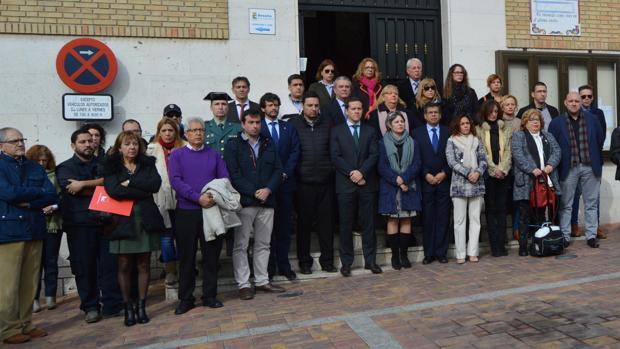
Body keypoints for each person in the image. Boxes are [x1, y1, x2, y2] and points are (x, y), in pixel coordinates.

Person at [56, 129, 122, 323]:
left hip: (106, 222)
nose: (88, 144)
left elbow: (112, 184)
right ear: (73, 145)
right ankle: (91, 307)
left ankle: (112, 304)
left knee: (110, 266)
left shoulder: (103, 165)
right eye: (82, 141)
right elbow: (72, 190)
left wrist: (84, 184)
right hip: (79, 225)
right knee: (85, 267)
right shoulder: (65, 167)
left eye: (90, 141)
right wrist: (100, 188)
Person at [102, 131, 164, 326]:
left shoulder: (147, 163)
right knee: (124, 264)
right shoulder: (111, 166)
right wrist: (141, 190)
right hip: (122, 220)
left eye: (135, 144)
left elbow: (155, 185)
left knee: (144, 264)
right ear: (120, 147)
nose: (132, 147)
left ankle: (141, 306)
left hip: (144, 217)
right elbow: (114, 191)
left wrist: (131, 182)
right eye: (127, 144)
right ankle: (128, 307)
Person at [0, 128, 56, 344]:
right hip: (9, 230)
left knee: (30, 282)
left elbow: (50, 193)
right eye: (14, 141)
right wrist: (35, 194)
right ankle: (8, 328)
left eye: (22, 140)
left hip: (34, 227)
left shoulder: (33, 166)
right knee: (8, 283)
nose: (20, 144)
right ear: (2, 145)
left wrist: (31, 200)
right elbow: (9, 193)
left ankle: (26, 322)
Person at [169, 117, 229, 314]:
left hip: (211, 211)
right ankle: (186, 298)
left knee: (211, 256)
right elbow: (176, 181)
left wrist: (210, 196)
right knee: (186, 257)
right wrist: (197, 198)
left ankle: (209, 296)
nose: (198, 134)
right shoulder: (177, 155)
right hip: (187, 212)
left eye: (201, 130)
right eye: (193, 130)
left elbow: (224, 179)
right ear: (186, 134)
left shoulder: (214, 155)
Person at [225, 108, 284, 299]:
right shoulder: (233, 145)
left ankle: (262, 281)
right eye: (250, 122)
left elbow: (278, 170)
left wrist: (268, 190)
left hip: (267, 200)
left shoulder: (268, 143)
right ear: (243, 123)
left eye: (258, 122)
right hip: (245, 202)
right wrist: (253, 192)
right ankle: (243, 284)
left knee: (263, 244)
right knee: (241, 245)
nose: (254, 126)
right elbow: (234, 175)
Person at [331, 97, 381, 276]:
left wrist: (362, 173)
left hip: (366, 183)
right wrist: (353, 173)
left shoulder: (370, 130)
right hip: (346, 184)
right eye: (353, 109)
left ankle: (371, 261)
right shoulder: (337, 131)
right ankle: (346, 263)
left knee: (368, 224)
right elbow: (335, 156)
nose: (356, 112)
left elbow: (374, 155)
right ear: (346, 110)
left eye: (359, 108)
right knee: (345, 225)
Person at [287, 91, 336, 274]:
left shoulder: (327, 124)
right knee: (304, 225)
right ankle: (304, 262)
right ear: (303, 106)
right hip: (303, 183)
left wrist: (329, 169)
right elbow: (292, 151)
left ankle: (328, 261)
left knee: (326, 224)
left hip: (325, 182)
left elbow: (333, 149)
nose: (314, 108)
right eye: (310, 105)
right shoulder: (293, 125)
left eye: (316, 105)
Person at [549, 92, 604, 249]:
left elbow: (600, 140)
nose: (574, 103)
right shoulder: (556, 123)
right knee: (566, 204)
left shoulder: (592, 120)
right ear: (565, 103)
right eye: (570, 101)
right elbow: (553, 146)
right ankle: (565, 236)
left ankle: (591, 235)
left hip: (590, 166)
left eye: (576, 101)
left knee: (591, 203)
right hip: (568, 168)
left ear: (581, 103)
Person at [260, 93, 301, 281]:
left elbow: (295, 151)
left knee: (284, 228)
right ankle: (268, 268)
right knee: (266, 230)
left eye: (276, 105)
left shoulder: (288, 127)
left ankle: (284, 265)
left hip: (285, 184)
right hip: (266, 186)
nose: (274, 108)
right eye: (270, 105)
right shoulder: (257, 128)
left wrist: (285, 173)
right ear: (263, 108)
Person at [511, 109, 561, 255]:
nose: (535, 122)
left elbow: (557, 151)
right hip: (527, 182)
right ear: (525, 122)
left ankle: (541, 243)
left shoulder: (547, 135)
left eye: (537, 120)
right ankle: (523, 246)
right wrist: (532, 168)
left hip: (545, 181)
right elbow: (518, 156)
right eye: (531, 120)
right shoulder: (518, 136)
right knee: (525, 216)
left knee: (542, 215)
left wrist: (550, 165)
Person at [377, 112, 421, 270]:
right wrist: (397, 180)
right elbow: (381, 166)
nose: (400, 124)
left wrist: (405, 179)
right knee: (393, 220)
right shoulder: (382, 143)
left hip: (409, 186)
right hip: (390, 187)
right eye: (396, 122)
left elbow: (416, 164)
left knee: (407, 220)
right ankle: (395, 256)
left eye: (402, 121)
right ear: (389, 125)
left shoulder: (413, 142)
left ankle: (404, 255)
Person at [146, 118, 185, 286]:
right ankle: (170, 270)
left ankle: (185, 267)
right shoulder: (150, 150)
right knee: (166, 238)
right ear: (158, 132)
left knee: (184, 235)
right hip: (160, 198)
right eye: (164, 131)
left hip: (183, 197)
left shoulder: (184, 147)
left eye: (170, 130)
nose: (167, 134)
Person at [25, 145, 62, 312]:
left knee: (51, 261)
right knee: (34, 264)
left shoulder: (55, 175)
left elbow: (62, 198)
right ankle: (33, 298)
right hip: (33, 223)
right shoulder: (25, 176)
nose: (41, 164)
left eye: (44, 160)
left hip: (53, 224)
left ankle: (50, 297)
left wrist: (53, 207)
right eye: (38, 160)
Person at [412, 102, 451, 264]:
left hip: (444, 180)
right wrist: (426, 174)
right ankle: (429, 253)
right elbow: (415, 157)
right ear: (425, 115)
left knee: (443, 218)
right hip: (426, 181)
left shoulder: (448, 131)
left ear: (440, 115)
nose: (433, 115)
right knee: (428, 219)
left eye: (436, 112)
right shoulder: (416, 133)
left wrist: (444, 172)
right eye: (430, 112)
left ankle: (441, 252)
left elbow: (453, 155)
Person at [446, 115, 487, 264]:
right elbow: (451, 161)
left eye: (468, 123)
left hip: (477, 184)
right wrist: (468, 173)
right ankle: (460, 253)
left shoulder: (476, 140)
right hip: (459, 185)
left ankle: (473, 252)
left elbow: (483, 159)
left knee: (475, 220)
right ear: (457, 125)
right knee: (459, 220)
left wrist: (477, 172)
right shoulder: (451, 141)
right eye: (462, 124)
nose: (466, 126)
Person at [476, 100, 512, 257]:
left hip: (503, 175)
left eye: (496, 111)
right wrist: (493, 169)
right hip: (488, 175)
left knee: (502, 210)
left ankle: (502, 245)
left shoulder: (505, 128)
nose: (493, 114)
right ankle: (494, 246)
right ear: (485, 112)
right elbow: (482, 152)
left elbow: (508, 152)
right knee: (491, 210)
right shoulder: (479, 130)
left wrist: (503, 169)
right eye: (491, 111)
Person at [571, 85, 607, 239]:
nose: (586, 99)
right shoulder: (571, 113)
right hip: (574, 161)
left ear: (592, 98)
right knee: (573, 195)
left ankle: (595, 227)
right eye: (583, 96)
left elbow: (602, 136)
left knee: (593, 198)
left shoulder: (598, 113)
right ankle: (573, 225)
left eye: (589, 96)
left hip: (593, 161)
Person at [500, 94, 522, 241]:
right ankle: (502, 232)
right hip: (501, 165)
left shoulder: (520, 122)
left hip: (517, 165)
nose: (510, 107)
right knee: (502, 199)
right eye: (507, 104)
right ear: (502, 106)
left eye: (512, 104)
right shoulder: (497, 122)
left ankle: (516, 229)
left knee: (517, 199)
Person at [204, 92, 243, 157]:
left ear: (228, 107)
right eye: (217, 104)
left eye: (224, 104)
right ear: (211, 107)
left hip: (231, 166)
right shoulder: (204, 127)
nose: (220, 107)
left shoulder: (238, 127)